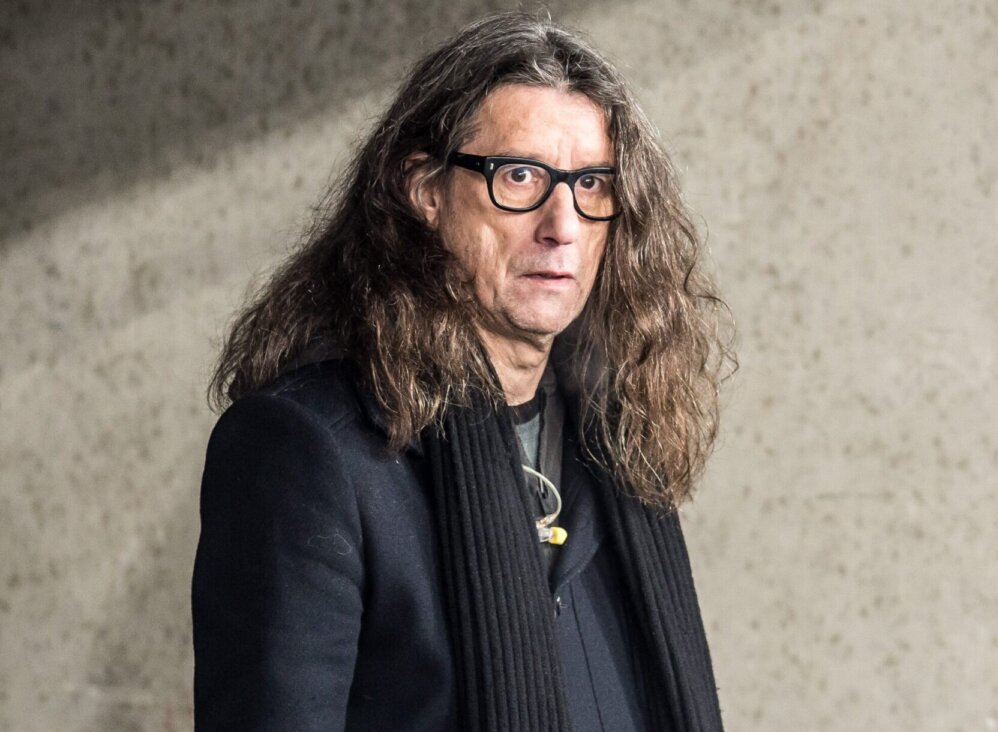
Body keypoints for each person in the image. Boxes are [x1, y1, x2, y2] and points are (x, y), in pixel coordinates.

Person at [191, 12, 733, 731]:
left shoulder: (618, 441)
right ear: (425, 190)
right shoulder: (306, 450)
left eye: (592, 185)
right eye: (520, 176)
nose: (562, 225)